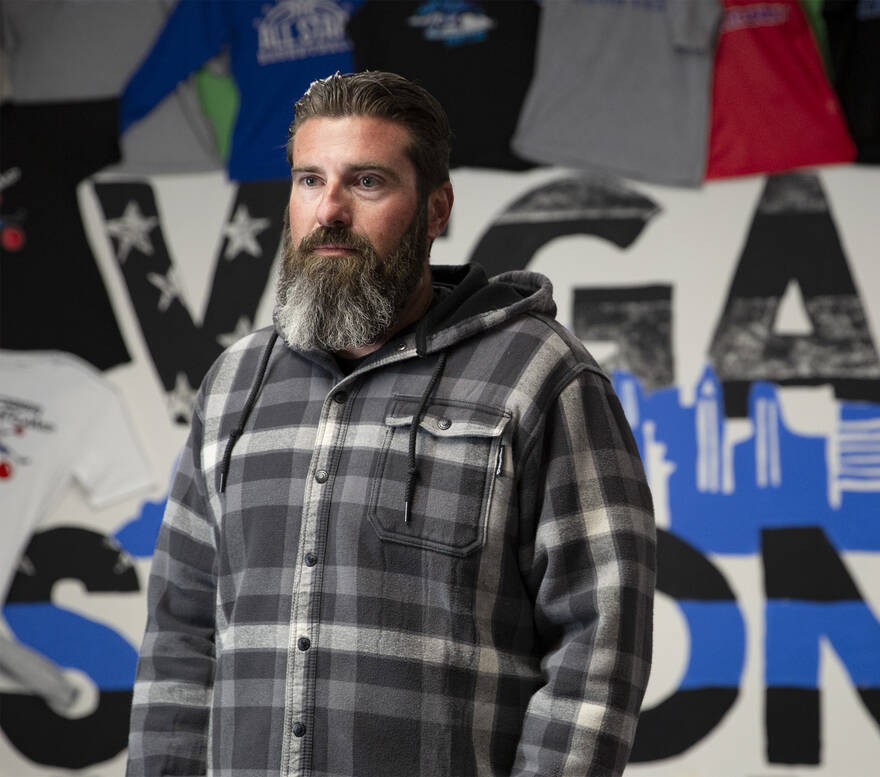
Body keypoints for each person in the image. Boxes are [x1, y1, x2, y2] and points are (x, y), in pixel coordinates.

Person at [125, 71, 656, 777]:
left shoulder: (541, 375)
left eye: (366, 182)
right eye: (309, 180)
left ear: (436, 209)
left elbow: (602, 641)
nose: (329, 210)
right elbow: (180, 635)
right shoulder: (235, 384)